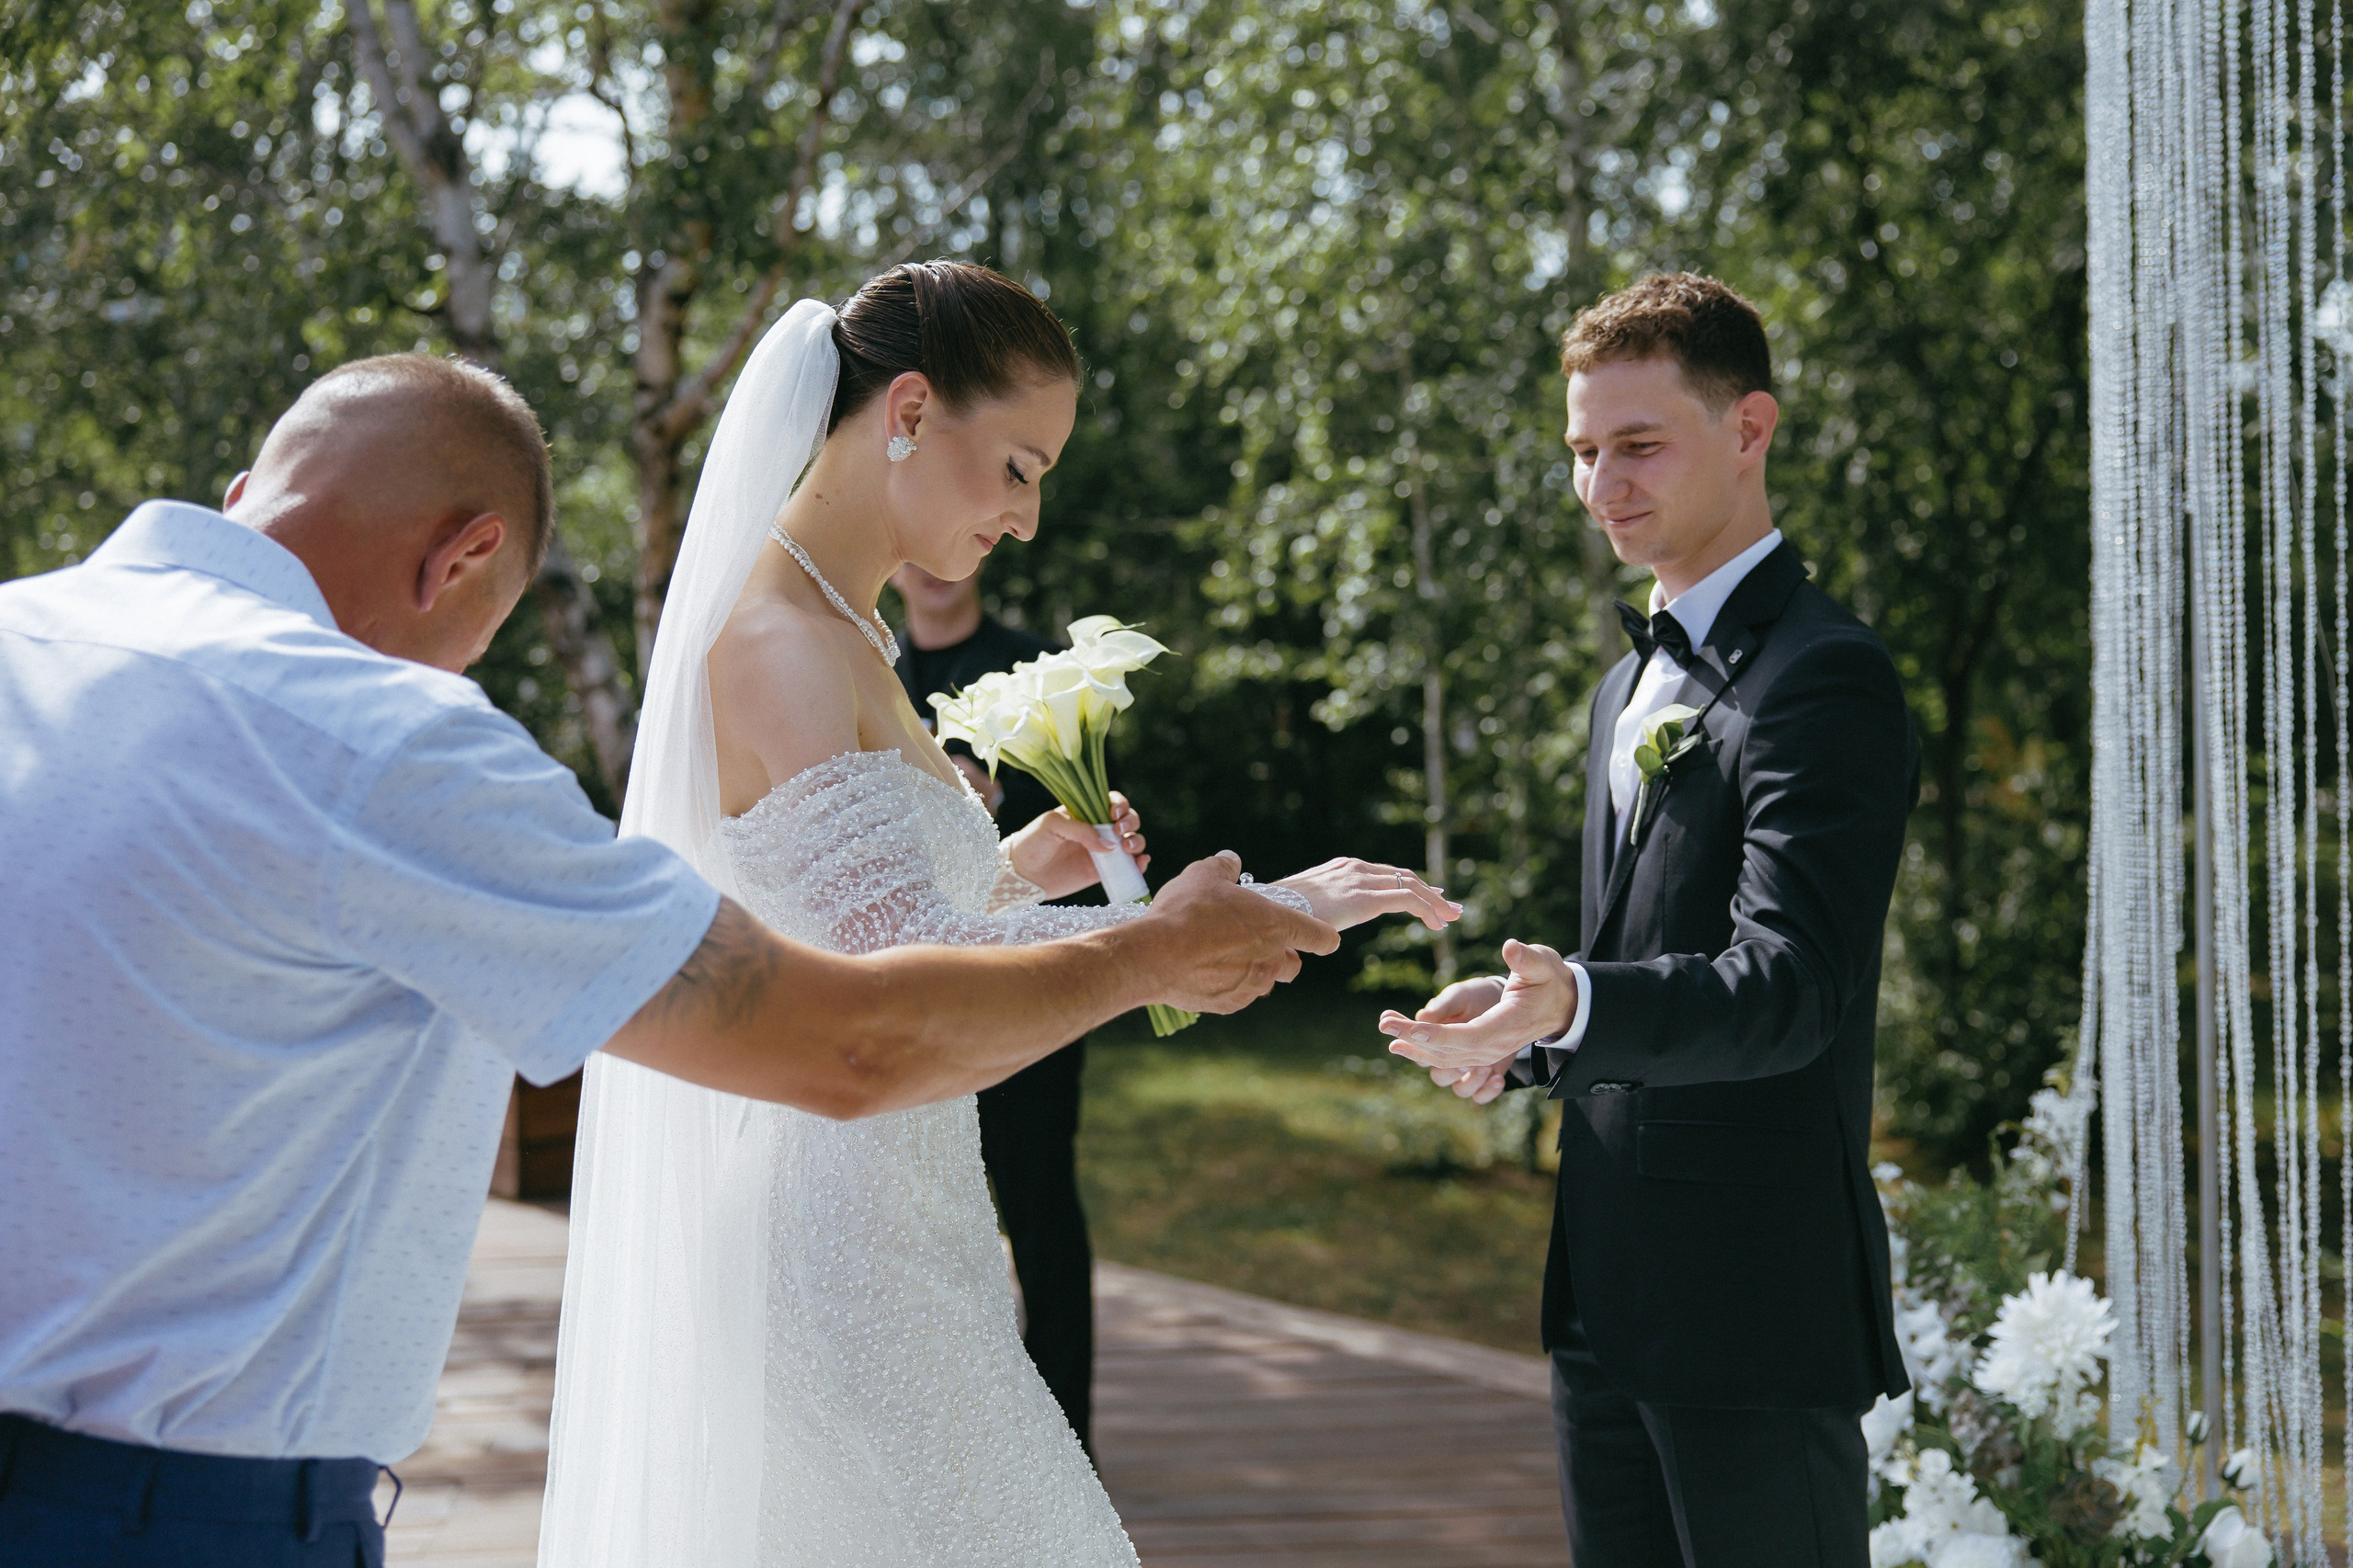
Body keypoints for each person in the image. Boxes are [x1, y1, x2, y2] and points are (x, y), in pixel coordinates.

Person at [0, 351, 1337, 1567]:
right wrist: (1155, 947)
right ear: (463, 559)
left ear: (248, 494)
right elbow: (848, 1039)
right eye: (483, 639)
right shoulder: (379, 742)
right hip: (177, 1515)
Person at [540, 262, 1461, 1568]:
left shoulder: (850, 630)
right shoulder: (781, 643)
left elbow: (871, 915)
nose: (1027, 519)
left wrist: (1020, 868)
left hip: (918, 1220)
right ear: (910, 410)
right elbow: (892, 980)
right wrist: (1205, 929)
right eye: (1019, 469)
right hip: (843, 1252)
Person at [1382, 274, 1918, 1568]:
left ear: (1749, 429)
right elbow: (1642, 957)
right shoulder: (1624, 684)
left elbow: (1791, 983)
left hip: (1751, 1305)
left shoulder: (1824, 675)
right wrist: (1532, 1028)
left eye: (1637, 444)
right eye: (1582, 450)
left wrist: (1580, 997)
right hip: (1604, 1304)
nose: (1600, 484)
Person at [893, 559, 1104, 1452]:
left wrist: (997, 804)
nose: (933, 571)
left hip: (1028, 987)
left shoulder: (1037, 668)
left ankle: (1066, 1440)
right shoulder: (871, 672)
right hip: (911, 998)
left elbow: (1092, 818)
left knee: (1040, 1207)